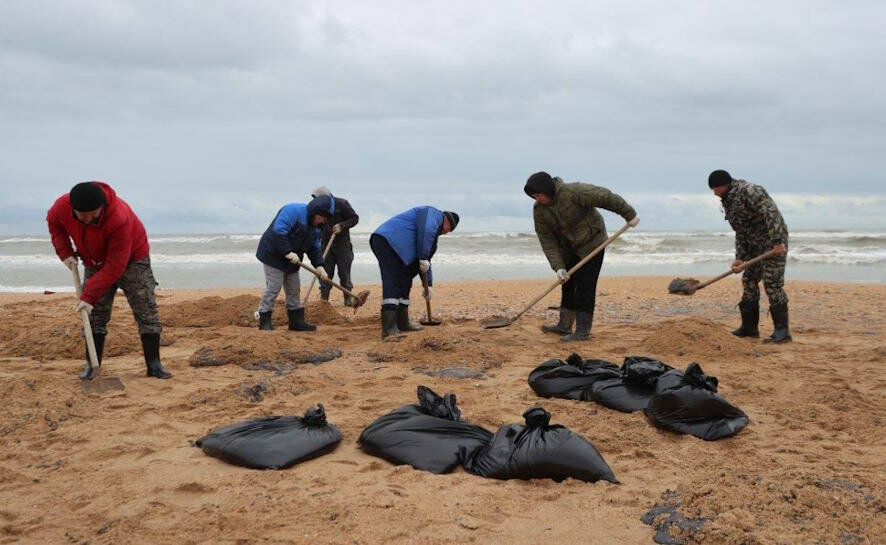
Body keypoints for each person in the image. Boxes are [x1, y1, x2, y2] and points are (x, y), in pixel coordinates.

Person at [47, 181, 172, 380]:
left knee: (146, 310)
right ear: (72, 209)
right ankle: (91, 365)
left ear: (102, 207)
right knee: (95, 315)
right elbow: (54, 225)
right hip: (93, 261)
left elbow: (115, 266)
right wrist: (65, 251)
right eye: (82, 216)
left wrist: (88, 295)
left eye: (93, 215)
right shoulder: (61, 207)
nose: (88, 220)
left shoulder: (118, 217)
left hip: (132, 260)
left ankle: (154, 365)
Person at [524, 171, 638, 342]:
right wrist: (559, 267)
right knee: (568, 283)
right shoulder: (540, 211)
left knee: (585, 286)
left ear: (547, 190)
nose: (536, 199)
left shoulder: (574, 192)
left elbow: (605, 197)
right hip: (569, 247)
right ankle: (564, 325)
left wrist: (629, 214)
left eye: (538, 194)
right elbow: (547, 240)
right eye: (534, 196)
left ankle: (582, 331)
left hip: (593, 242)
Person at [708, 170, 791, 343]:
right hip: (753, 245)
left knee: (772, 284)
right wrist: (740, 258)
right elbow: (740, 231)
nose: (714, 193)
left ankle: (782, 333)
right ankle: (749, 328)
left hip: (773, 242)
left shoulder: (750, 191)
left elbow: (771, 213)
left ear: (723, 185)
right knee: (749, 281)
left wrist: (777, 241)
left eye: (715, 189)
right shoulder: (728, 201)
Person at [370, 206, 459, 339]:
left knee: (405, 281)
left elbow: (426, 261)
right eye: (449, 230)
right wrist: (423, 257)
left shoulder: (432, 236)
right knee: (393, 281)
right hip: (387, 241)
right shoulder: (432, 215)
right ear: (447, 222)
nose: (446, 233)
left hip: (401, 250)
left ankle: (402, 323)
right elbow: (426, 232)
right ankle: (388, 329)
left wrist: (428, 285)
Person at [255, 196, 333, 332]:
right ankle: (264, 321)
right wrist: (288, 252)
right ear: (315, 212)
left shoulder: (317, 227)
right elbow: (277, 233)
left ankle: (296, 322)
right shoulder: (292, 211)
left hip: (294, 259)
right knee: (274, 287)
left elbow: (314, 248)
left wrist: (319, 266)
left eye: (325, 219)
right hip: (273, 254)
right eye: (322, 217)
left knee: (294, 288)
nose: (323, 221)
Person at [310, 186, 360, 306]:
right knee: (325, 274)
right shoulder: (317, 208)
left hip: (343, 245)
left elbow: (354, 218)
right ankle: (324, 299)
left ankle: (348, 298)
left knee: (344, 273)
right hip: (325, 245)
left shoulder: (342, 203)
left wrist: (342, 225)